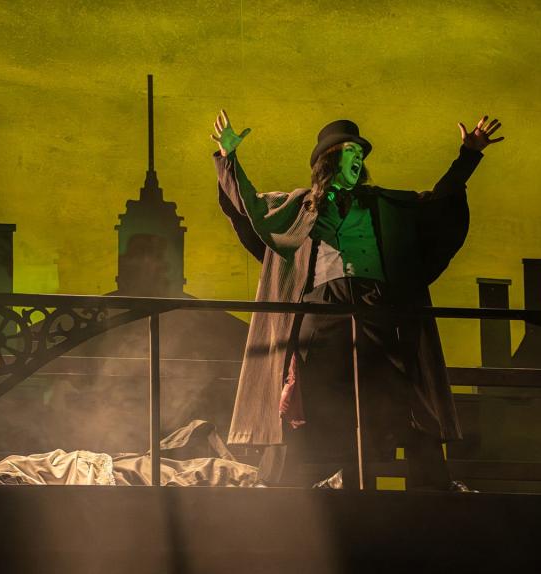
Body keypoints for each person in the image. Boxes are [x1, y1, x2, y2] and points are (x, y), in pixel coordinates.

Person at [212, 110, 503, 489]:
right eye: (350, 151)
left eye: (360, 154)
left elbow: (437, 205)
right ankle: (288, 492)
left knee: (406, 393)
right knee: (307, 400)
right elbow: (250, 207)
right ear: (329, 160)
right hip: (323, 311)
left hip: (377, 308)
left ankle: (431, 487)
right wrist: (228, 158)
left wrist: (468, 155)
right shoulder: (301, 207)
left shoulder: (382, 204)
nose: (358, 159)